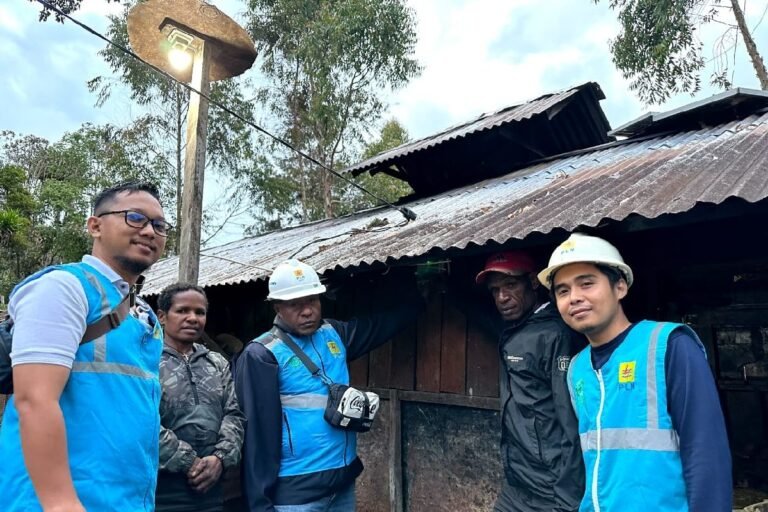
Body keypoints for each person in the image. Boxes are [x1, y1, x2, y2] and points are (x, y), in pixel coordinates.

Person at [0, 182, 169, 511]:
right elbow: (34, 399)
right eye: (135, 217)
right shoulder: (63, 287)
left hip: (124, 500)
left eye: (159, 224)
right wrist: (60, 502)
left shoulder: (143, 314)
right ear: (95, 226)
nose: (150, 231)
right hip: (54, 501)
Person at [539, 233, 732, 512]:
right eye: (563, 291)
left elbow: (706, 452)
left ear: (620, 287)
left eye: (587, 284)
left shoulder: (668, 346)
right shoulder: (577, 369)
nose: (575, 298)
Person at [234, 259, 423, 512]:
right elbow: (256, 436)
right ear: (277, 307)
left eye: (312, 300)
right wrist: (260, 505)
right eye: (295, 304)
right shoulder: (262, 354)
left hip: (342, 484)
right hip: (296, 494)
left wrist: (420, 297)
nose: (307, 311)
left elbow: (381, 326)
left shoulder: (334, 334)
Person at [474, 251, 585, 512]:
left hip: (551, 489)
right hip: (518, 484)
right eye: (495, 290)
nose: (502, 297)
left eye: (511, 285)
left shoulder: (556, 335)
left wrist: (567, 497)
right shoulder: (517, 328)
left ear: (533, 282)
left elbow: (571, 420)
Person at [155, 283, 245, 512]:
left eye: (200, 312)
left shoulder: (216, 362)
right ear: (162, 316)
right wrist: (189, 462)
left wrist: (220, 459)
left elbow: (233, 414)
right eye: (182, 311)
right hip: (161, 490)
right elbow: (142, 421)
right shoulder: (146, 362)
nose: (193, 318)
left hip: (212, 487)